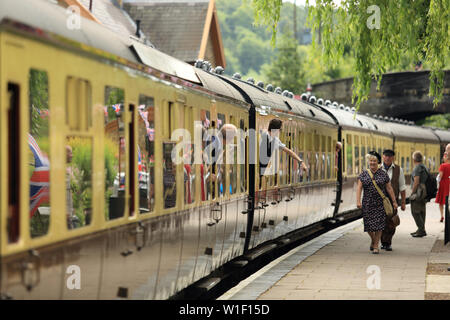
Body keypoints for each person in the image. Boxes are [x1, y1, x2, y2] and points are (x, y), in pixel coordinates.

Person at [356, 151, 398, 254]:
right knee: (368, 225)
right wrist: (358, 201)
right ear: (368, 162)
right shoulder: (364, 174)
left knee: (379, 225)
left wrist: (394, 201)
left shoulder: (383, 174)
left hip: (380, 203)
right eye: (371, 161)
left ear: (378, 162)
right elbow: (359, 188)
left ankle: (375, 245)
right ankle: (374, 239)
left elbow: (389, 188)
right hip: (367, 203)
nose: (372, 163)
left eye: (374, 161)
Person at [380, 149, 406, 251]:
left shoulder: (399, 170)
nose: (387, 158)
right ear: (382, 157)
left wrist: (403, 202)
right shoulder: (378, 168)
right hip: (379, 200)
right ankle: (382, 241)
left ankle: (388, 242)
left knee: (391, 223)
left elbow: (402, 187)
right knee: (381, 222)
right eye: (386, 156)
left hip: (392, 201)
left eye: (390, 156)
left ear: (393, 158)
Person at [410, 151, 428, 237]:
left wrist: (412, 193)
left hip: (418, 191)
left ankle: (421, 230)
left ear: (414, 159)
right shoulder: (424, 167)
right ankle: (421, 229)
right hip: (424, 191)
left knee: (415, 211)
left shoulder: (417, 168)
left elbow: (416, 182)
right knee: (422, 211)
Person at [435, 152, 450, 223]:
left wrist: (437, 183)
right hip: (449, 184)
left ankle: (442, 216)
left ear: (447, 158)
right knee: (448, 201)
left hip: (443, 184)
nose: (443, 158)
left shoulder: (443, 166)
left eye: (444, 156)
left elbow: (440, 176)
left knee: (441, 201)